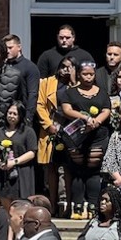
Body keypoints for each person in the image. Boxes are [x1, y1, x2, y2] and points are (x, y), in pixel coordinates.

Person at [59, 61, 112, 212]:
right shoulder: (70, 92)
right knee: (77, 170)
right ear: (78, 74)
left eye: (91, 74)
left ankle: (94, 205)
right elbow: (66, 110)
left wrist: (96, 121)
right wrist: (84, 118)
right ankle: (77, 206)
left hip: (97, 135)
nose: (88, 77)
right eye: (85, 74)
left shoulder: (101, 92)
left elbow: (106, 109)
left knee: (93, 168)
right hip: (76, 136)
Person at [35, 57, 75, 214]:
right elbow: (40, 105)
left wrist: (73, 80)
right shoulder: (47, 82)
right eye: (63, 66)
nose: (65, 70)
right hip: (51, 126)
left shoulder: (77, 84)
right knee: (51, 166)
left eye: (70, 68)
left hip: (70, 129)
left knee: (68, 167)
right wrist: (48, 125)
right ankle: (51, 204)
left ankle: (68, 206)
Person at [0, 101, 36, 204]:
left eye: (15, 114)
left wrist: (15, 162)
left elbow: (32, 152)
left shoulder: (28, 132)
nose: (11, 116)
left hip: (22, 173)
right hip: (3, 174)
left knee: (21, 204)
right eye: (9, 113)